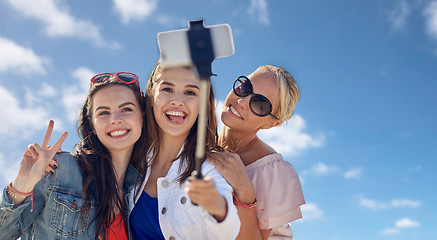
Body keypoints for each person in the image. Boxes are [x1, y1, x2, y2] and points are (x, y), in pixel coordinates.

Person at [0, 72, 148, 240]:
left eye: (126, 109)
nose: (115, 119)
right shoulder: (58, 170)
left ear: (142, 115)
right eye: (103, 113)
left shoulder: (141, 191)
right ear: (91, 123)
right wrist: (21, 186)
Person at [128, 61, 241, 240]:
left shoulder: (209, 169)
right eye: (167, 89)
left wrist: (219, 208)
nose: (177, 101)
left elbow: (227, 233)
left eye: (190, 92)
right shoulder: (131, 157)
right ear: (150, 96)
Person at [211, 65, 305, 239]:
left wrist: (245, 194)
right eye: (244, 87)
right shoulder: (198, 142)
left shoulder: (272, 173)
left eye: (260, 104)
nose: (242, 101)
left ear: (271, 124)